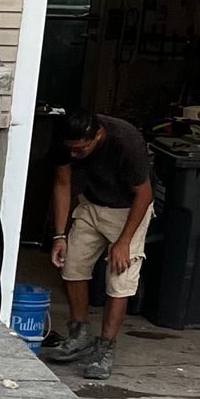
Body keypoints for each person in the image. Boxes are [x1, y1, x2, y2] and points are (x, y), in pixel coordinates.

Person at [41, 105, 154, 381]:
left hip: (129, 209)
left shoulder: (125, 140)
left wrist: (124, 241)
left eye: (81, 149)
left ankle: (105, 347)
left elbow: (144, 194)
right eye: (71, 150)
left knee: (120, 278)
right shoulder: (65, 139)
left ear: (98, 135)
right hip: (92, 204)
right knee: (72, 265)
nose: (74, 155)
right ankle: (80, 333)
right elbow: (62, 183)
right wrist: (59, 235)